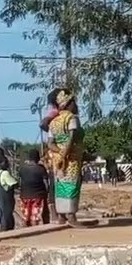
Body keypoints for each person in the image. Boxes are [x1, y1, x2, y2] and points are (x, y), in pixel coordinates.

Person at [44, 88, 85, 225]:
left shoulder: (53, 122)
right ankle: (71, 215)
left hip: (57, 160)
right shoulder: (72, 118)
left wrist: (59, 153)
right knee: (72, 185)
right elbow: (72, 138)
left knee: (60, 185)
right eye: (73, 102)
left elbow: (50, 143)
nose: (75, 105)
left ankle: (61, 215)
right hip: (71, 159)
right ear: (68, 104)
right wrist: (65, 153)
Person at [17, 148, 49, 228]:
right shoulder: (41, 169)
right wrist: (46, 193)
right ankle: (34, 233)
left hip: (24, 196)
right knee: (35, 218)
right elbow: (46, 184)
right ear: (38, 158)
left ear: (29, 158)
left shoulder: (22, 169)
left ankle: (25, 232)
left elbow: (20, 183)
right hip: (38, 196)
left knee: (26, 217)